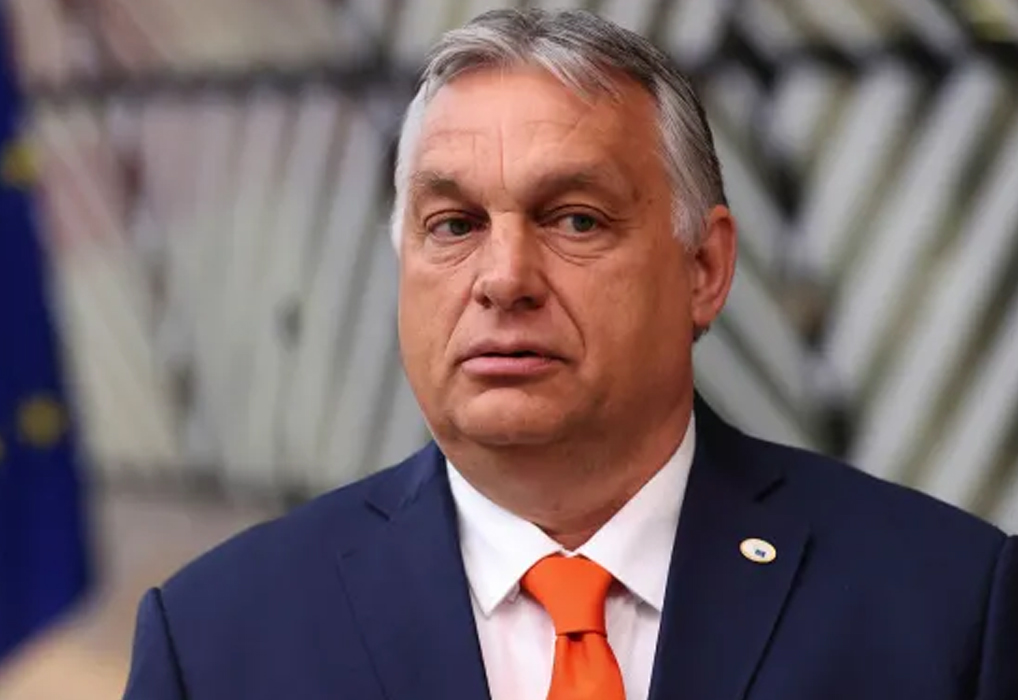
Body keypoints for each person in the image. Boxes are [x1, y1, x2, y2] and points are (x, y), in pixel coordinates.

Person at [122, 9, 1017, 700]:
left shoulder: (945, 608)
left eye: (576, 220)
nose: (504, 278)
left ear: (704, 269)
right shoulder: (216, 641)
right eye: (454, 225)